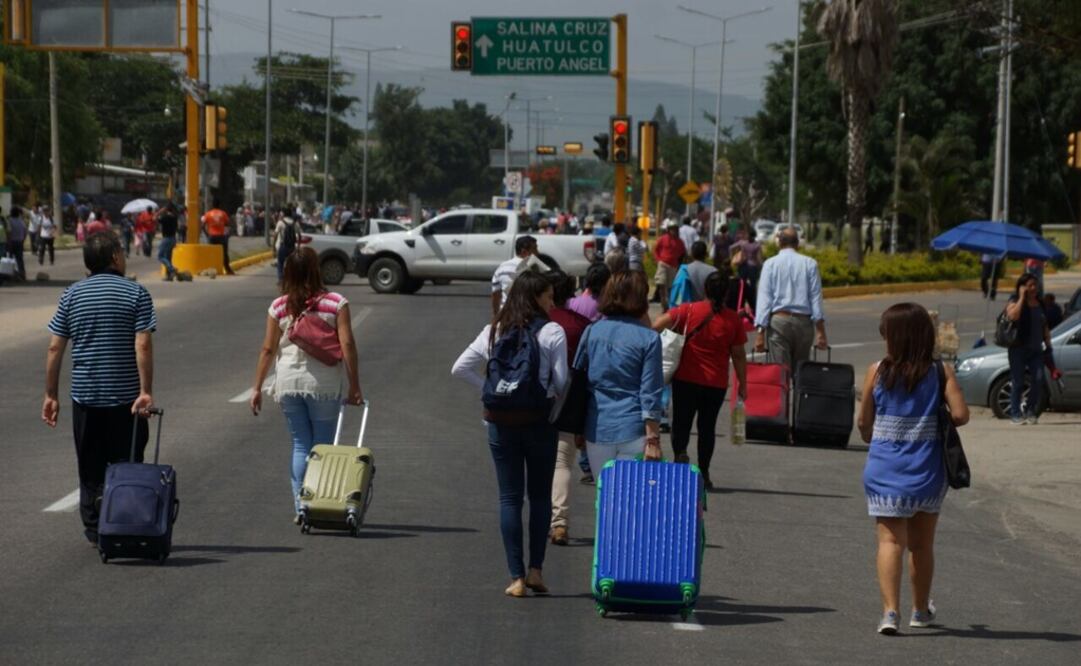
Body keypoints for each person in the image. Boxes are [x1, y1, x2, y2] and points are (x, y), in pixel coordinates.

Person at [451, 271, 568, 598]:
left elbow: (459, 367)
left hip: (500, 422)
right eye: (547, 296)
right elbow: (561, 382)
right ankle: (535, 571)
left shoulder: (494, 329)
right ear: (536, 298)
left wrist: (491, 388)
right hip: (539, 422)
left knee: (509, 498)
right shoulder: (552, 331)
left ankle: (515, 577)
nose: (552, 301)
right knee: (541, 497)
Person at [857, 302, 969, 635]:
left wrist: (875, 433)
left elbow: (864, 422)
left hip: (885, 469)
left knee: (890, 542)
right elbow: (961, 415)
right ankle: (920, 610)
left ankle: (890, 613)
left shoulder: (876, 370)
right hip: (927, 470)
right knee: (922, 545)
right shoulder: (940, 372)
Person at [41, 232, 157, 545]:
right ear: (115, 257)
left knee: (90, 467)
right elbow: (142, 344)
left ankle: (95, 529)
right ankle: (127, 521)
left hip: (86, 397)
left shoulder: (72, 295)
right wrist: (145, 390)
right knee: (128, 463)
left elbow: (55, 348)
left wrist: (51, 394)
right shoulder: (136, 293)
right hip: (127, 401)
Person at [249, 247, 363, 522]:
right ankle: (320, 503)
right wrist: (354, 386)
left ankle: (302, 505)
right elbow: (347, 344)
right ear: (316, 270)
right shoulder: (336, 303)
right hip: (323, 384)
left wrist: (256, 387)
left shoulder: (279, 306)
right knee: (322, 445)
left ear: (287, 273)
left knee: (301, 444)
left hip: (288, 382)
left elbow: (267, 349)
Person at [652, 272, 747, 488]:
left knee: (682, 423)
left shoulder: (688, 310)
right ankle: (704, 473)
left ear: (705, 289)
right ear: (726, 294)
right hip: (715, 383)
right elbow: (739, 355)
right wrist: (743, 384)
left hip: (686, 379)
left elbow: (657, 325)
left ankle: (680, 458)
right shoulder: (733, 320)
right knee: (707, 428)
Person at [575, 271, 664, 476]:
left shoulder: (592, 331)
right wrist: (653, 438)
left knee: (605, 497)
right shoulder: (649, 338)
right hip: (633, 429)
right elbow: (650, 392)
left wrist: (578, 427)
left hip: (596, 426)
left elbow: (579, 380)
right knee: (630, 500)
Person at [543, 271, 592, 546]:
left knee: (535, 463)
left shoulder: (538, 322)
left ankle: (539, 517)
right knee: (562, 464)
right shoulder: (583, 325)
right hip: (569, 403)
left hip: (535, 402)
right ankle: (559, 522)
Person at [754, 227, 828, 377]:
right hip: (804, 323)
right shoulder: (810, 263)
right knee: (801, 373)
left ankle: (783, 400)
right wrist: (820, 331)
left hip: (779, 323)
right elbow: (815, 298)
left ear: (779, 243)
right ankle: (799, 400)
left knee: (781, 374)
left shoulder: (770, 264)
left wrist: (760, 332)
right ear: (798, 244)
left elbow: (764, 299)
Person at [1004, 274, 1051, 425]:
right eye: (1030, 285)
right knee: (1017, 382)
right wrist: (1022, 298)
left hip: (1036, 350)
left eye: (1035, 285)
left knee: (1038, 380)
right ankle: (1015, 414)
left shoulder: (1040, 303)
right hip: (1018, 349)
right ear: (1022, 286)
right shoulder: (1014, 301)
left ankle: (1030, 410)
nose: (1033, 288)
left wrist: (1048, 343)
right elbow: (1013, 316)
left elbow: (1044, 325)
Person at [491, 235, 545, 315]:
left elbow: (495, 294)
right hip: (527, 315)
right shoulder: (535, 268)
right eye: (535, 249)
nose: (538, 252)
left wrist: (495, 316)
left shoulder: (501, 267)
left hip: (505, 315)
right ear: (524, 252)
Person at [654, 220, 687, 311]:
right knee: (661, 283)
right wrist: (658, 260)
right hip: (663, 264)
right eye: (672, 229)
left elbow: (683, 253)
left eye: (675, 229)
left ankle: (669, 304)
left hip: (673, 266)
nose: (674, 231)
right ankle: (663, 303)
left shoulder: (680, 242)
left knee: (670, 287)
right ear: (668, 230)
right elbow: (656, 249)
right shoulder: (662, 238)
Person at [203, 202, 234, 275]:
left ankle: (210, 268)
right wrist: (228, 235)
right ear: (219, 205)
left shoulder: (208, 214)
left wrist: (207, 234)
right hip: (221, 236)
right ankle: (227, 269)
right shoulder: (223, 213)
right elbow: (228, 224)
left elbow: (203, 226)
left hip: (211, 236)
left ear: (212, 205)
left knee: (210, 253)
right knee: (224, 253)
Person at [732, 228, 764, 294]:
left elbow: (742, 257)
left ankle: (741, 298)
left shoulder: (744, 244)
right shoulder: (757, 245)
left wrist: (736, 262)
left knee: (742, 285)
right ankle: (753, 300)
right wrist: (762, 266)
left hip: (744, 266)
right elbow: (759, 258)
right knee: (753, 285)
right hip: (753, 267)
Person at [273, 208, 299, 281]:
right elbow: (299, 235)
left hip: (283, 246)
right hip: (292, 247)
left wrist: (273, 247)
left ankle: (281, 279)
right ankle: (292, 279)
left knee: (280, 263)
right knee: (292, 264)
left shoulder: (280, 222)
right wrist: (298, 246)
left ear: (284, 214)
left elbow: (275, 234)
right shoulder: (295, 223)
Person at [156, 203, 179, 280]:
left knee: (160, 256)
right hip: (173, 238)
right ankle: (169, 276)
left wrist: (159, 212)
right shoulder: (175, 217)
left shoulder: (165, 217)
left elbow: (154, 219)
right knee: (168, 258)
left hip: (166, 239)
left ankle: (172, 269)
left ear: (166, 209)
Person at [6, 206, 27, 280]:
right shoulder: (21, 221)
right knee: (20, 259)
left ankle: (11, 275)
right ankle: (22, 274)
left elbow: (9, 232)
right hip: (20, 241)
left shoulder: (10, 220)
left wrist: (8, 242)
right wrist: (23, 239)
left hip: (12, 241)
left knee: (10, 259)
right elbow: (25, 231)